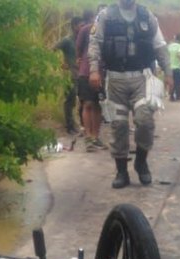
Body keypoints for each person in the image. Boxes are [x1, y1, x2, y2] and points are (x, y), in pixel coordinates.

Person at [88, 0, 173, 189]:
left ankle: (141, 162)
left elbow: (159, 45)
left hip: (142, 78)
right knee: (118, 125)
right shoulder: (106, 16)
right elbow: (95, 43)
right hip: (115, 79)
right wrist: (94, 70)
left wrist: (168, 72)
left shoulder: (147, 16)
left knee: (145, 120)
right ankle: (121, 171)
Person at [76, 9, 108, 152]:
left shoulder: (110, 31)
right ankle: (88, 137)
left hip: (104, 73)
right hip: (86, 73)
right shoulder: (86, 30)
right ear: (95, 16)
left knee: (99, 105)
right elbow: (78, 49)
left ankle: (95, 137)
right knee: (88, 104)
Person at [55, 16, 84, 135]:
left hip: (80, 74)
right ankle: (69, 126)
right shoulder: (67, 40)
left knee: (81, 101)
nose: (82, 28)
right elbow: (52, 49)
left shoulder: (81, 39)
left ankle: (77, 125)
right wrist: (60, 63)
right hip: (70, 74)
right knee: (70, 100)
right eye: (80, 26)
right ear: (74, 26)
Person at [167, 34, 180, 101]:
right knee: (177, 83)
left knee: (172, 83)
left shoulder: (170, 46)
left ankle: (171, 97)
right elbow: (179, 55)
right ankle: (178, 97)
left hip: (170, 68)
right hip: (177, 67)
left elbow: (167, 56)